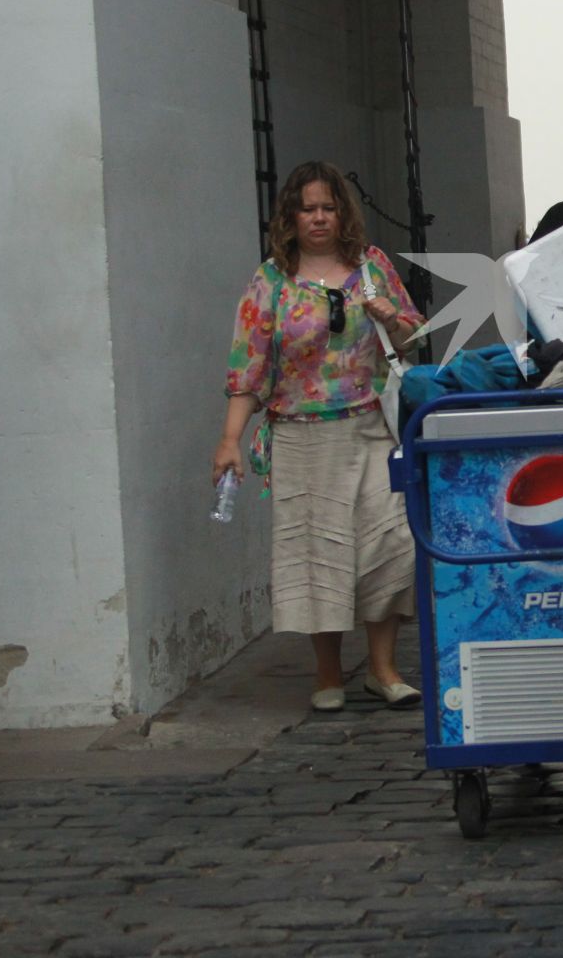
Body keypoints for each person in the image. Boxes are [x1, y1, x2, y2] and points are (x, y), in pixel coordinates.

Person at [212, 161, 425, 713]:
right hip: (302, 437)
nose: (319, 218)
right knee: (317, 556)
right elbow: (248, 370)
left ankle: (383, 669)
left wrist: (391, 317)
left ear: (342, 213)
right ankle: (327, 675)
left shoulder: (372, 268)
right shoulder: (271, 282)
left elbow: (411, 341)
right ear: (291, 215)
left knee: (388, 545)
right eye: (308, 208)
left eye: (328, 207)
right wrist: (230, 440)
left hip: (371, 427)